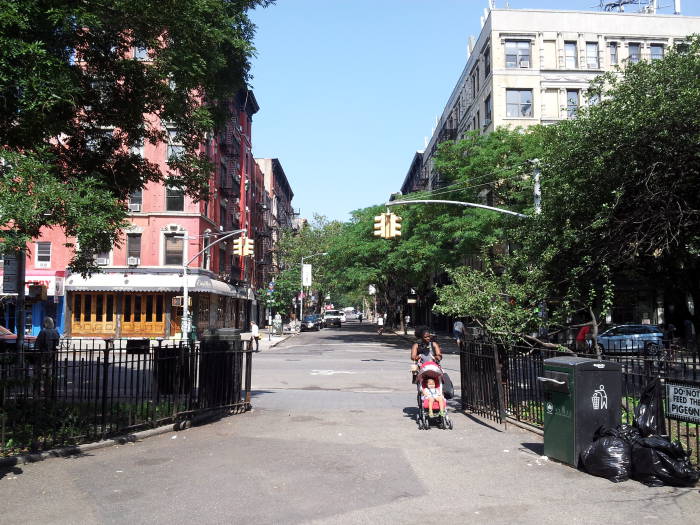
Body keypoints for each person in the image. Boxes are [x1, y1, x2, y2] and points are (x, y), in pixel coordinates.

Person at [34, 316, 60, 396]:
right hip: (51, 355)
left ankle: (40, 390)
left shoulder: (43, 332)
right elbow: (57, 344)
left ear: (46, 323)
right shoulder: (56, 332)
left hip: (43, 355)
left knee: (41, 373)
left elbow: (37, 344)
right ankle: (49, 391)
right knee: (50, 374)